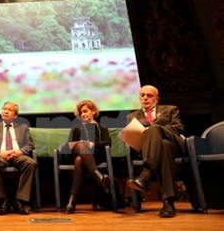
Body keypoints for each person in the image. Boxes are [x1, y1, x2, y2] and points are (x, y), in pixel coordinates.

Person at [126, 85, 186, 218]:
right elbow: (131, 136)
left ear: (157, 99)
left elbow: (178, 127)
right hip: (152, 149)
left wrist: (155, 130)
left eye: (149, 95)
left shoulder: (170, 109)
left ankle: (146, 174)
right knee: (164, 146)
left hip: (175, 143)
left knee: (154, 129)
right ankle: (168, 202)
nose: (145, 98)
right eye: (142, 95)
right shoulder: (132, 116)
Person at [0, 101, 38, 215]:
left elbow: (30, 145)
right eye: (4, 109)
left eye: (10, 109)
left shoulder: (23, 127)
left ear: (15, 115)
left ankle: (19, 201)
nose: (6, 111)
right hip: (1, 156)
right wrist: (0, 153)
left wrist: (19, 152)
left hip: (18, 155)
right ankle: (3, 201)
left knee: (31, 163)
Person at [62, 100, 112, 214]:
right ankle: (98, 176)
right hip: (74, 153)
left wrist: (93, 144)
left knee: (79, 160)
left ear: (93, 111)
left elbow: (108, 143)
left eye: (85, 111)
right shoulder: (76, 127)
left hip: (93, 158)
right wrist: (81, 144)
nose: (82, 114)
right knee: (80, 145)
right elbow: (68, 145)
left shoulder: (101, 127)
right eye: (80, 113)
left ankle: (72, 201)